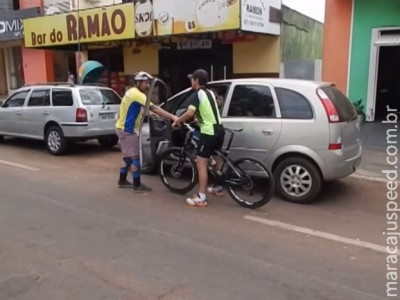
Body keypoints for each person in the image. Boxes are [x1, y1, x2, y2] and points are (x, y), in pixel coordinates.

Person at [116, 71, 178, 192]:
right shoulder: (138, 95)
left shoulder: (132, 92)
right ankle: (137, 185)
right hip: (128, 130)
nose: (148, 85)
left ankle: (122, 180)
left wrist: (156, 115)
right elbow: (154, 108)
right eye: (145, 83)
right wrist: (173, 117)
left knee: (127, 158)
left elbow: (144, 111)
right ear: (138, 82)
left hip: (122, 128)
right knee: (135, 158)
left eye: (149, 83)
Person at [172, 69, 225, 207]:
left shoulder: (197, 94)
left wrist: (177, 121)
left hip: (208, 132)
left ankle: (201, 198)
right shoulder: (210, 93)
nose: (191, 81)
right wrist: (198, 119)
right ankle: (218, 188)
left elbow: (189, 112)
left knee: (201, 163)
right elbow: (206, 111)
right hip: (219, 129)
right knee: (215, 158)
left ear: (196, 80)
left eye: (192, 79)